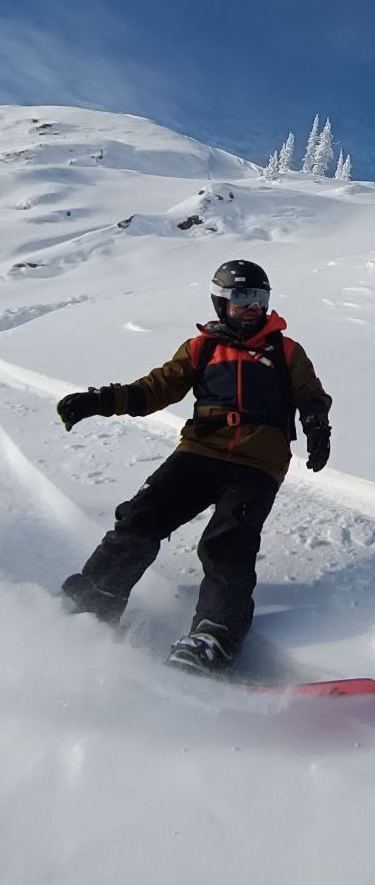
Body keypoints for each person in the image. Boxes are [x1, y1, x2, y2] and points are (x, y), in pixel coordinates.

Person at [56, 259, 332, 675]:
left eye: (259, 299)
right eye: (241, 299)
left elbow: (312, 394)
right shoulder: (201, 348)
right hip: (200, 452)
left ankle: (214, 636)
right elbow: (153, 390)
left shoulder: (286, 352)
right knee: (139, 518)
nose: (252, 308)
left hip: (259, 462)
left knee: (227, 543)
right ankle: (94, 599)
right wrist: (100, 401)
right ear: (221, 302)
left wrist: (316, 425)